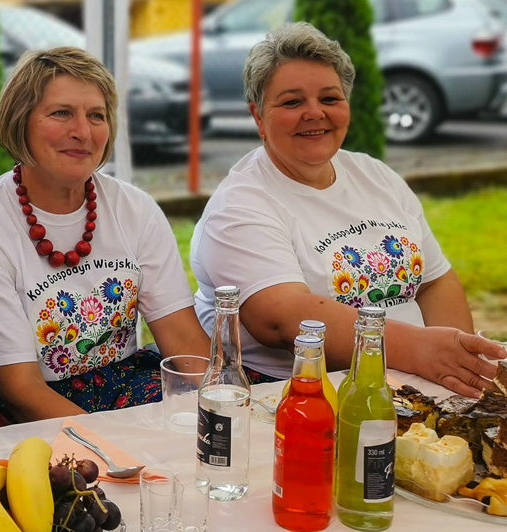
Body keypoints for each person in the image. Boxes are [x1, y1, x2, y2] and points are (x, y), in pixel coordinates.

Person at [190, 21, 505, 396]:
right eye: (292, 102)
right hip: (299, 393)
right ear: (258, 116)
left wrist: (457, 369)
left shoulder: (375, 174)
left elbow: (435, 282)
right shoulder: (239, 205)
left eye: (329, 98)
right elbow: (284, 319)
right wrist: (422, 352)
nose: (314, 113)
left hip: (414, 380)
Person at [0, 46, 209, 422]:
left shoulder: (136, 209)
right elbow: (21, 390)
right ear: (20, 121)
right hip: (23, 404)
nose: (82, 132)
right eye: (61, 113)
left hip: (122, 383)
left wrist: (222, 413)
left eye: (96, 116)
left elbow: (185, 345)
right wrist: (116, 450)